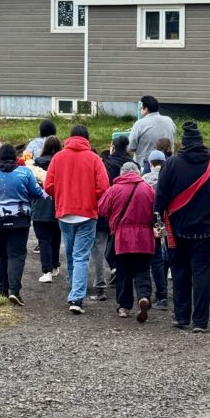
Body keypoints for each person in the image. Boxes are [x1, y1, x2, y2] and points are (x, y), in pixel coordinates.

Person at [155, 120, 210, 333]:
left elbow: (160, 197)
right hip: (208, 231)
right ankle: (200, 321)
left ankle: (181, 317)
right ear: (201, 141)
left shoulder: (171, 164)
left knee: (180, 274)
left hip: (177, 231)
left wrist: (158, 223)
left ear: (184, 142)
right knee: (203, 276)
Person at [44, 124, 110, 315]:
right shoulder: (94, 159)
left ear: (70, 138)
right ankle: (76, 297)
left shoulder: (58, 157)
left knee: (72, 253)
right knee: (81, 256)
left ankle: (74, 288)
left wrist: (62, 194)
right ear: (87, 139)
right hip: (87, 214)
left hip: (64, 213)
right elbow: (103, 187)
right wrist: (90, 197)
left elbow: (49, 186)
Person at [0, 144, 44, 307]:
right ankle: (15, 291)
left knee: (1, 255)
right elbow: (37, 192)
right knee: (17, 255)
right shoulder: (24, 172)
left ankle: (3, 289)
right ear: (15, 157)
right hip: (20, 221)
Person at [98, 162, 155, 322]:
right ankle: (143, 297)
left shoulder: (114, 189)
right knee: (143, 270)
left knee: (123, 272)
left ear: (122, 173)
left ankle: (124, 306)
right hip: (144, 237)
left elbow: (101, 209)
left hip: (122, 237)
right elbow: (157, 211)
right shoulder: (148, 189)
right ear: (138, 173)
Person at [92, 135, 136, 298]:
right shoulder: (134, 165)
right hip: (130, 212)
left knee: (101, 246)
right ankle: (125, 276)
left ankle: (103, 280)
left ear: (113, 147)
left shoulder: (106, 164)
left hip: (108, 211)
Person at [31, 135, 63, 283]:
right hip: (59, 206)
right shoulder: (62, 165)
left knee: (44, 239)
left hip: (40, 206)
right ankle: (55, 266)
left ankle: (47, 271)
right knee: (56, 238)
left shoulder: (35, 165)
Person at [143, 150, 168, 308]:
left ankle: (153, 293)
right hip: (167, 221)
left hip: (149, 224)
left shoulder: (144, 180)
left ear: (150, 164)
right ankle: (163, 294)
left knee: (153, 259)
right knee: (165, 258)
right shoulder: (169, 178)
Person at [128, 96, 176, 170]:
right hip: (168, 164)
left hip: (146, 166)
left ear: (145, 109)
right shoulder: (169, 120)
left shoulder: (140, 124)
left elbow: (130, 147)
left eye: (141, 108)